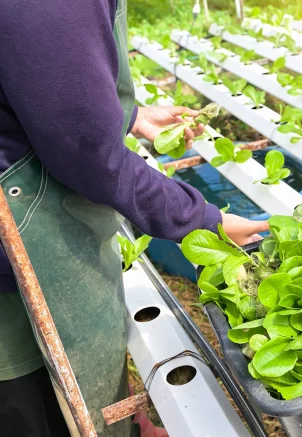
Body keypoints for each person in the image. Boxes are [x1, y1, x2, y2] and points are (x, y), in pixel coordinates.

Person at [0, 1, 267, 436]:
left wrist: (127, 116)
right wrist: (202, 220)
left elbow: (39, 72)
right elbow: (93, 159)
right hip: (18, 259)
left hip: (31, 217)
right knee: (38, 409)